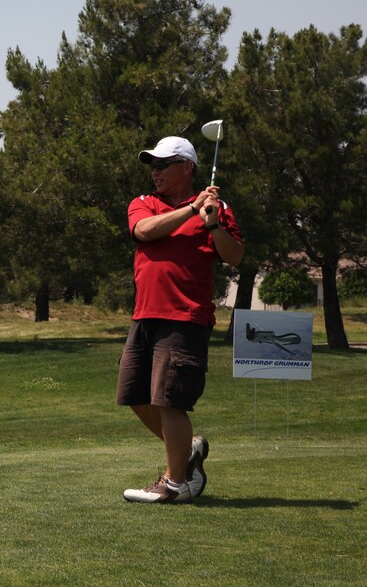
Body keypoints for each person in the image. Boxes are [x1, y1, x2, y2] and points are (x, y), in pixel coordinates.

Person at [117, 135, 244, 504]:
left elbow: (234, 256)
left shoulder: (216, 209)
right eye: (152, 166)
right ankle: (188, 451)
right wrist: (191, 210)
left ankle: (175, 485)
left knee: (169, 400)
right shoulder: (144, 203)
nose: (154, 172)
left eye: (162, 165)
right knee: (135, 395)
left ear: (186, 167)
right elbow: (144, 231)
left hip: (185, 316)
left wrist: (213, 223)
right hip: (144, 315)